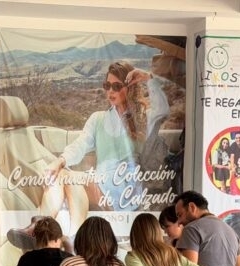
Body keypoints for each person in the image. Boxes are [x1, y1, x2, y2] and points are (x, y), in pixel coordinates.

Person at [44, 61, 170, 214]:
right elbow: (80, 145)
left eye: (116, 86)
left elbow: (163, 110)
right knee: (66, 181)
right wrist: (60, 161)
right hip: (102, 183)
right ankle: (51, 225)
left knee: (64, 177)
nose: (110, 91)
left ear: (129, 88)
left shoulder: (142, 118)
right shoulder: (98, 119)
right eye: (107, 85)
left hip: (126, 189)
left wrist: (148, 78)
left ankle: (42, 224)